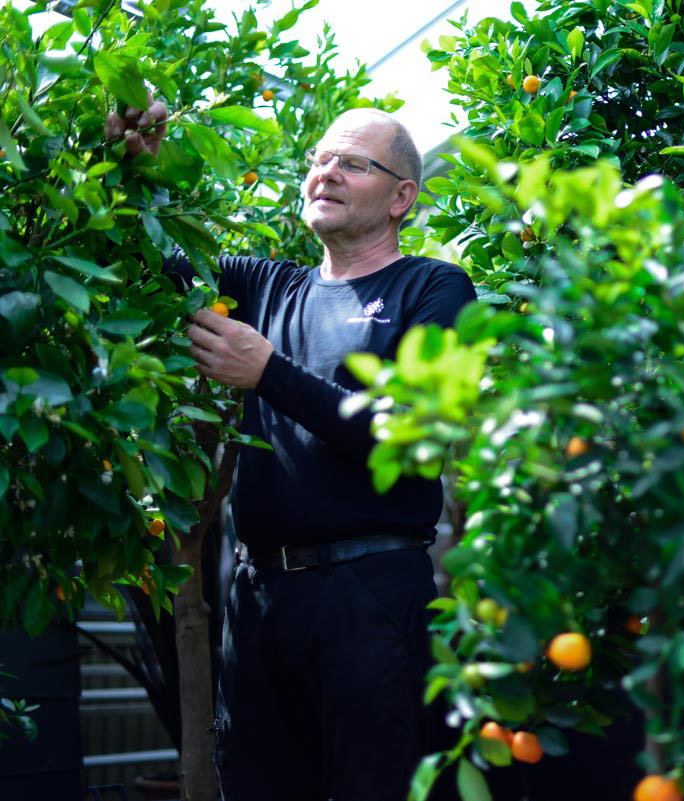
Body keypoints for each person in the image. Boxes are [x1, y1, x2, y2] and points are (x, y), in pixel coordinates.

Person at [109, 101, 475, 800]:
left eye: (353, 163)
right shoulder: (263, 285)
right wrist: (136, 168)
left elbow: (405, 429)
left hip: (370, 594)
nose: (326, 173)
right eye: (319, 160)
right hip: (257, 597)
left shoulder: (433, 288)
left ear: (402, 196)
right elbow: (159, 268)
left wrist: (268, 371)